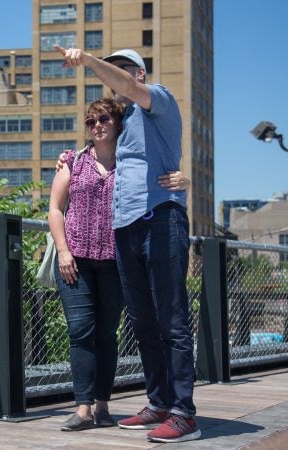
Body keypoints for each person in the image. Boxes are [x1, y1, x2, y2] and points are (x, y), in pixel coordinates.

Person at [53, 45, 200, 443]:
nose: (115, 75)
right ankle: (158, 403)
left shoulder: (158, 99)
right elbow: (98, 158)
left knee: (171, 319)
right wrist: (71, 156)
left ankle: (184, 412)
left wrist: (87, 61)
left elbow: (128, 90)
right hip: (125, 230)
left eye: (124, 69)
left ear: (140, 73)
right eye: (111, 68)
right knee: (143, 322)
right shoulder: (122, 122)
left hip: (160, 221)